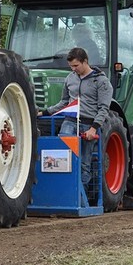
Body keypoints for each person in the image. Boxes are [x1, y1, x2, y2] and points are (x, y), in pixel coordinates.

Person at [38, 47, 112, 194]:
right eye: (71, 66)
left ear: (85, 62)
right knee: (63, 154)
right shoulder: (70, 78)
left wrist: (93, 128)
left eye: (76, 66)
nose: (73, 69)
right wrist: (44, 112)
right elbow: (63, 102)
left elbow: (104, 108)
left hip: (89, 124)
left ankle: (80, 196)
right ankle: (63, 191)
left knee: (84, 163)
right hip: (70, 121)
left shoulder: (101, 81)